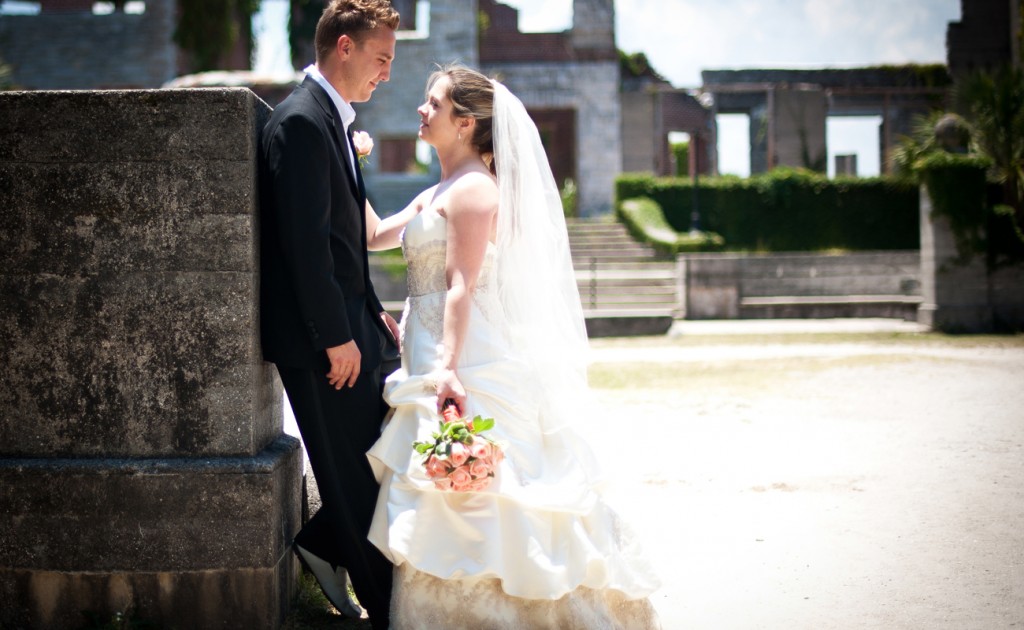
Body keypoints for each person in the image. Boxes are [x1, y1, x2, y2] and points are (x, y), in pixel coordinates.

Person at [363, 65, 662, 628]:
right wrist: (345, 165)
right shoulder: (436, 190)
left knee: (494, 487)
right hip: (427, 347)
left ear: (465, 123)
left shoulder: (476, 189)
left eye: (434, 104)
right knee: (438, 481)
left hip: (467, 353)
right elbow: (375, 235)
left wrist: (447, 368)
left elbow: (461, 285)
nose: (422, 111)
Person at [256, 1, 401, 627]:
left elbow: (344, 243)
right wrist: (335, 337)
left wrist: (373, 313)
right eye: (381, 58)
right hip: (323, 341)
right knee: (355, 473)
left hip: (351, 325)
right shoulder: (300, 122)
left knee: (378, 455)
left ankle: (321, 543)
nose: (386, 73)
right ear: (345, 46)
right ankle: (387, 608)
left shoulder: (330, 121)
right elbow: (305, 244)